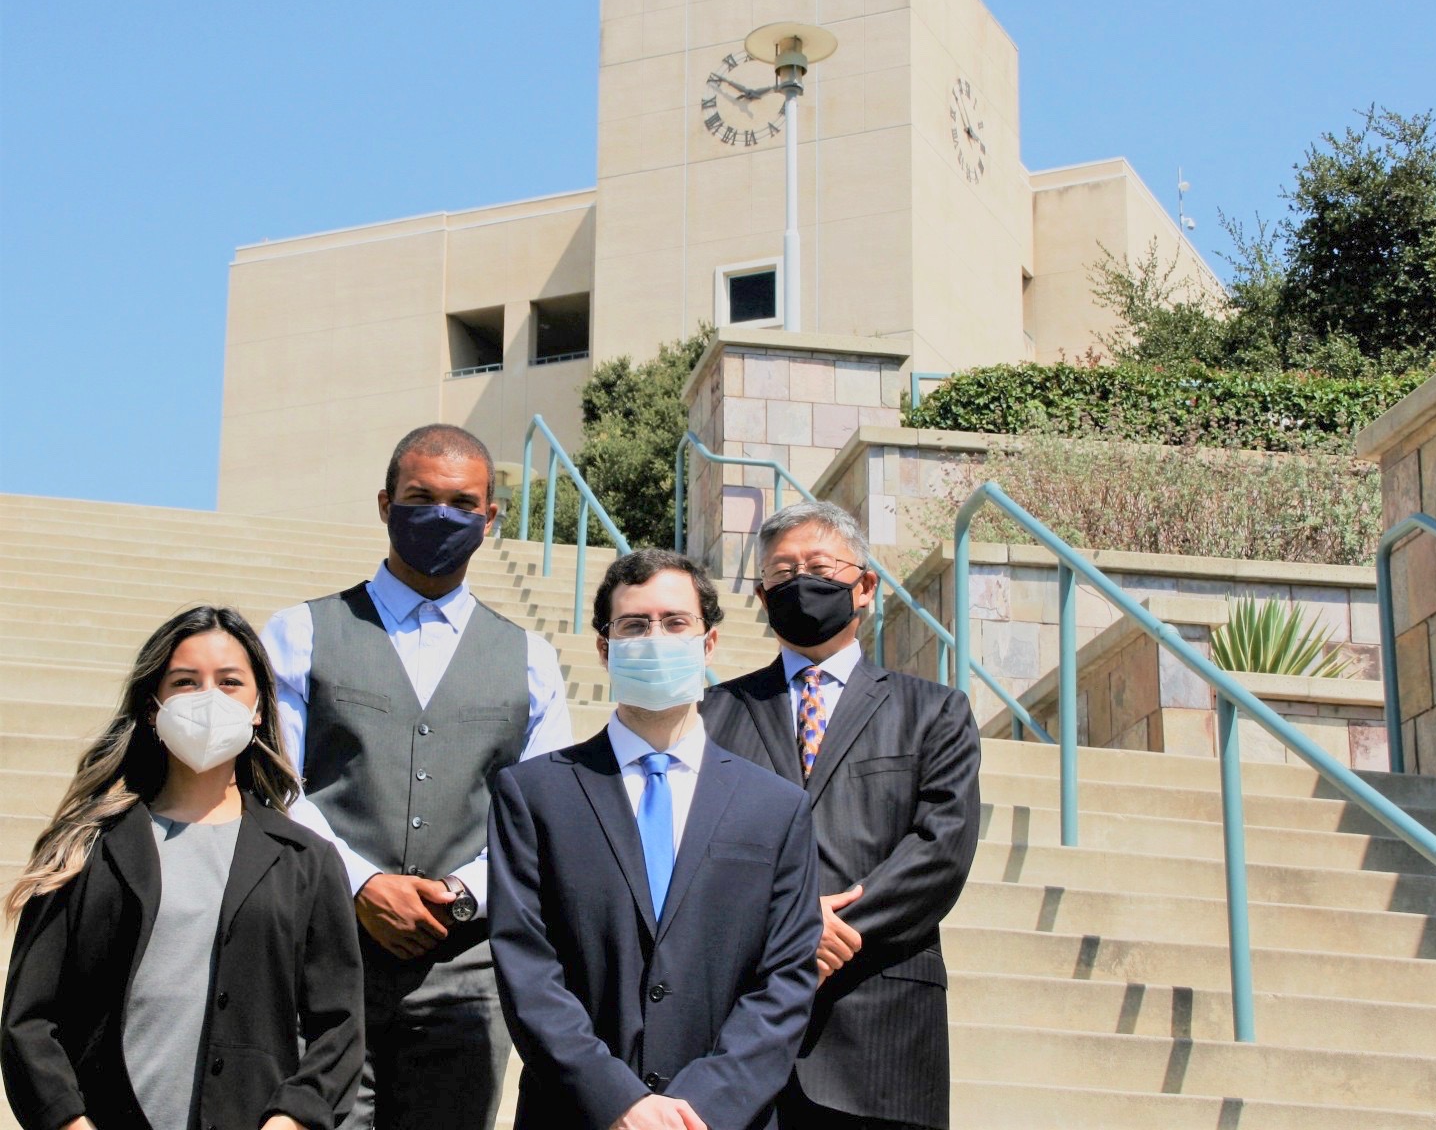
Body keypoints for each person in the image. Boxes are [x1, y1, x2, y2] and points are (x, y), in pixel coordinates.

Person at [262, 423, 573, 1130]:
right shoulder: (300, 632)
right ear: (384, 504)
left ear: (490, 518)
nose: (441, 516)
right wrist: (362, 884)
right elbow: (278, 783)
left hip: (463, 981)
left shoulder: (530, 658)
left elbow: (541, 814)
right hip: (319, 961)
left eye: (462, 503)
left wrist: (459, 898)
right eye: (420, 498)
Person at [488, 548, 821, 1130]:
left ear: (709, 644)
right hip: (574, 1113)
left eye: (675, 622)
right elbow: (527, 968)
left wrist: (703, 1107)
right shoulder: (533, 794)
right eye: (635, 625)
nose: (656, 637)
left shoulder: (776, 808)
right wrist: (617, 1101)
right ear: (604, 647)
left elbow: (786, 979)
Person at [1, 605, 363, 1130]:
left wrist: (292, 1120)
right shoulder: (86, 848)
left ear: (260, 707)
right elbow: (29, 1021)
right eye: (186, 682)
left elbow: (340, 1027)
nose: (208, 698)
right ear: (154, 707)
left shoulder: (306, 861)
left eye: (230, 682)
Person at [700, 502, 982, 1130]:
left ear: (865, 587)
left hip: (881, 1030)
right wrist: (787, 927)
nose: (801, 581)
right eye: (782, 572)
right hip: (735, 1035)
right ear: (762, 596)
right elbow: (688, 852)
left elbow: (942, 848)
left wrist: (831, 928)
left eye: (820, 567)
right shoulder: (712, 715)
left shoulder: (934, 712)